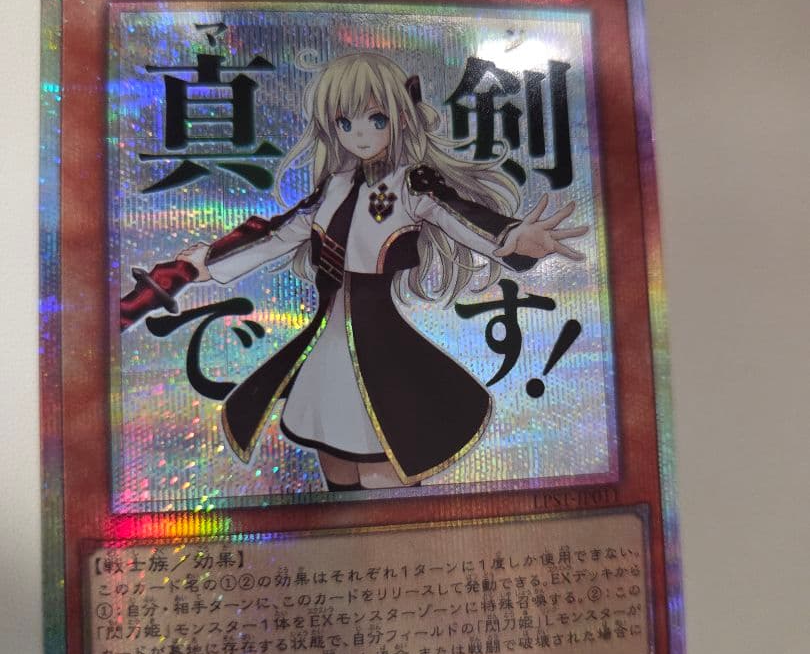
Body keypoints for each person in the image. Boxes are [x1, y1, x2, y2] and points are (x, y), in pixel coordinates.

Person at [178, 52, 587, 491]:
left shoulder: (412, 183)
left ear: (400, 117)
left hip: (383, 344)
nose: (360, 135)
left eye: (376, 119)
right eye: (344, 122)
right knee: (335, 461)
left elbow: (460, 216)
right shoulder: (334, 185)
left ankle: (395, 532)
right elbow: (281, 233)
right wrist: (210, 262)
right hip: (327, 341)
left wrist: (511, 237)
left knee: (384, 461)